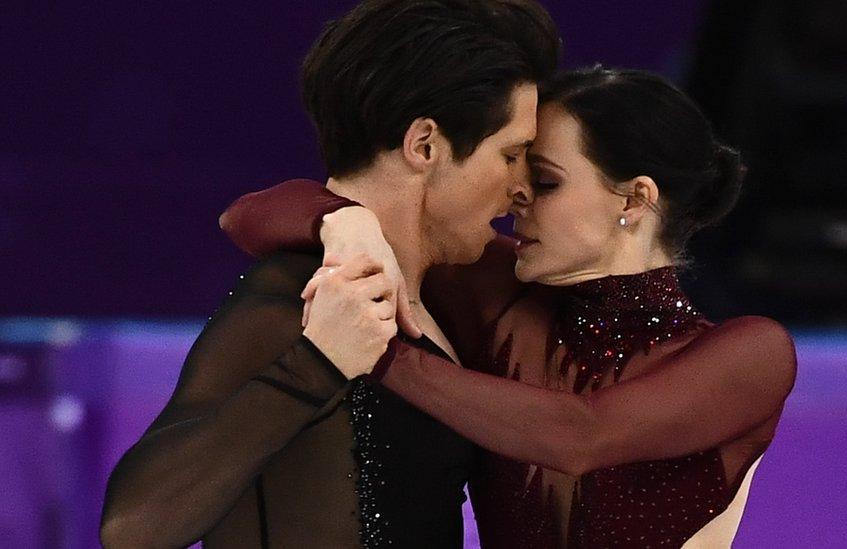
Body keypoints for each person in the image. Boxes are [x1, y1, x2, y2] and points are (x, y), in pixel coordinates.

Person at [221, 67, 798, 548]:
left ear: (634, 199)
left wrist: (372, 351)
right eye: (516, 171)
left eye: (544, 182)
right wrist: (343, 223)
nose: (515, 196)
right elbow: (246, 217)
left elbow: (582, 436)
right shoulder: (498, 295)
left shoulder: (748, 353)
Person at [99, 1, 560, 547]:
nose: (521, 186)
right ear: (425, 145)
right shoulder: (299, 299)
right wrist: (318, 364)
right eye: (511, 155)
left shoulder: (445, 293)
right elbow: (132, 527)